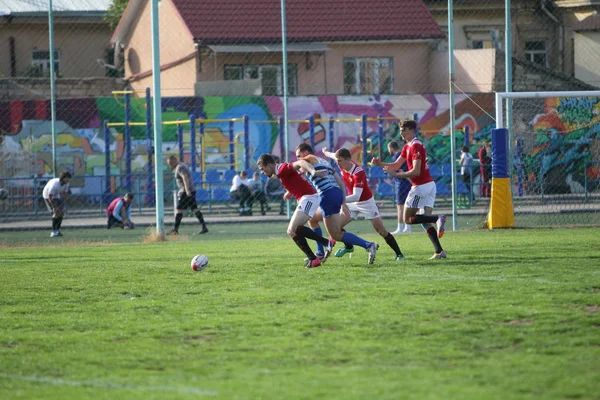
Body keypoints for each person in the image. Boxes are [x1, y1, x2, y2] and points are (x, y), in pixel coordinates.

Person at [372, 119, 447, 260]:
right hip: (429, 185)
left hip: (421, 186)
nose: (401, 135)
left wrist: (396, 174)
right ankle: (439, 251)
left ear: (412, 130)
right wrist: (379, 163)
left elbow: (416, 171)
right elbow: (395, 164)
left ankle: (438, 218)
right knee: (424, 220)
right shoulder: (408, 146)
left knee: (408, 219)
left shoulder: (416, 146)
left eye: (403, 131)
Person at [296, 143, 379, 265]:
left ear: (306, 153)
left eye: (299, 156)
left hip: (327, 196)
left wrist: (295, 169)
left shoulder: (308, 159)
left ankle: (368, 245)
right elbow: (340, 182)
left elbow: (300, 165)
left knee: (335, 234)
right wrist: (343, 201)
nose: (299, 159)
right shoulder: (323, 161)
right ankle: (319, 253)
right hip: (335, 194)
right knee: (313, 219)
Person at [321, 147, 405, 261]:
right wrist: (325, 152)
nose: (337, 163)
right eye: (337, 161)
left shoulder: (358, 172)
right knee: (336, 227)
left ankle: (399, 254)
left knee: (381, 231)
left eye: (339, 161)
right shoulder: (342, 164)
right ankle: (348, 247)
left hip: (366, 202)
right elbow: (333, 155)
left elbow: (357, 196)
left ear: (348, 160)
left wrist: (340, 200)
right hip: (351, 203)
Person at [257, 153, 334, 268]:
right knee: (294, 230)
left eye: (262, 169)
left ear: (269, 165)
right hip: (305, 198)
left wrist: (313, 172)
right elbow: (295, 178)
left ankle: (322, 247)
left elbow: (300, 163)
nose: (262, 172)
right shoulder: (278, 172)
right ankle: (315, 256)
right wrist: (289, 192)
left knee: (292, 230)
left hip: (309, 198)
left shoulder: (282, 169)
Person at [167, 155, 208, 235]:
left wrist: (187, 190)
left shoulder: (179, 167)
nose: (170, 165)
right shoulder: (182, 165)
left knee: (179, 209)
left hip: (187, 191)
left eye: (171, 163)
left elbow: (185, 177)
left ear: (175, 160)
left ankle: (175, 230)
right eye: (169, 164)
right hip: (190, 190)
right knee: (194, 209)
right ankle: (204, 227)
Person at [387, 140, 411, 234]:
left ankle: (400, 228)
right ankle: (407, 227)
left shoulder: (396, 157)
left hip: (401, 183)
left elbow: (397, 169)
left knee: (400, 206)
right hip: (406, 182)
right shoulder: (403, 155)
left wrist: (388, 170)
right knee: (406, 205)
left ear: (391, 148)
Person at [42, 171, 72, 238]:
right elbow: (50, 197)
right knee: (56, 212)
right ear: (63, 178)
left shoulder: (66, 184)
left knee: (61, 212)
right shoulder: (55, 185)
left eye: (69, 178)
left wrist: (63, 206)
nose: (68, 180)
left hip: (56, 195)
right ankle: (53, 231)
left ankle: (57, 230)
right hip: (47, 196)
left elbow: (65, 194)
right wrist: (54, 207)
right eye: (67, 178)